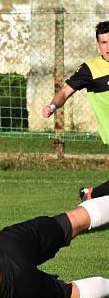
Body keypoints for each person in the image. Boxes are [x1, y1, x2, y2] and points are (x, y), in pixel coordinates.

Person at [43, 21, 109, 202]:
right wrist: (52, 106)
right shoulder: (90, 69)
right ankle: (91, 195)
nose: (108, 47)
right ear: (98, 45)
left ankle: (90, 194)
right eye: (104, 43)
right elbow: (65, 92)